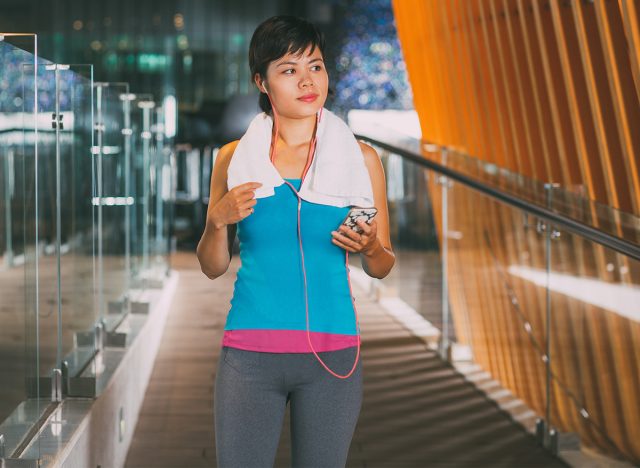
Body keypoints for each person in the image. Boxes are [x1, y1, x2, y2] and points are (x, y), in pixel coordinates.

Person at [196, 15, 395, 468]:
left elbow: (383, 263)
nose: (308, 81)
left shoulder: (361, 159)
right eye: (289, 69)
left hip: (333, 354)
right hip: (248, 356)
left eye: (316, 66)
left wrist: (369, 249)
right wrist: (216, 222)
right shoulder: (233, 159)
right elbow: (212, 266)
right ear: (261, 82)